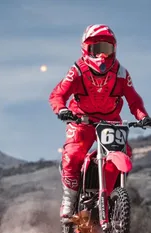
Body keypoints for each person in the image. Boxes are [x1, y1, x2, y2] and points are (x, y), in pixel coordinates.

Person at [49, 24, 151, 222]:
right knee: (73, 154)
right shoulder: (77, 71)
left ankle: (108, 195)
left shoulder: (121, 73)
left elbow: (134, 100)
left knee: (124, 153)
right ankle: (69, 199)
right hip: (81, 120)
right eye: (98, 49)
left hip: (111, 122)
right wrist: (62, 110)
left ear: (114, 49)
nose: (103, 55)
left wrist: (142, 116)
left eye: (107, 49)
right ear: (86, 49)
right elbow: (58, 94)